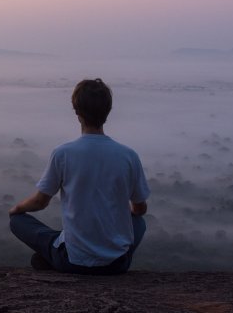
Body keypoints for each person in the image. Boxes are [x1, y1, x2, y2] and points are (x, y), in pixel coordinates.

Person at [8, 78, 150, 274]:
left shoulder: (63, 153)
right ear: (107, 112)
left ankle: (56, 254)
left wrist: (16, 208)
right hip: (117, 264)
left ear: (77, 112)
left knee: (17, 221)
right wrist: (122, 215)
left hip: (73, 261)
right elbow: (140, 209)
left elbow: (40, 202)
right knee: (139, 223)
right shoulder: (128, 156)